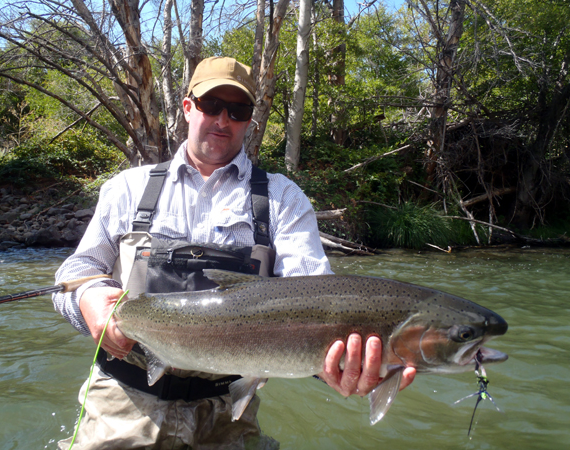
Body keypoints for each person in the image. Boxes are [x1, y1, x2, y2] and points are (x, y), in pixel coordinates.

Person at [53, 56, 415, 450]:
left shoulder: (282, 199)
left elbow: (316, 301)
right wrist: (87, 298)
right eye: (211, 105)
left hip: (228, 414)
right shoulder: (127, 188)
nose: (222, 120)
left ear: (249, 120)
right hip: (122, 406)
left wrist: (337, 365)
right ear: (187, 108)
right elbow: (77, 271)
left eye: (237, 110)